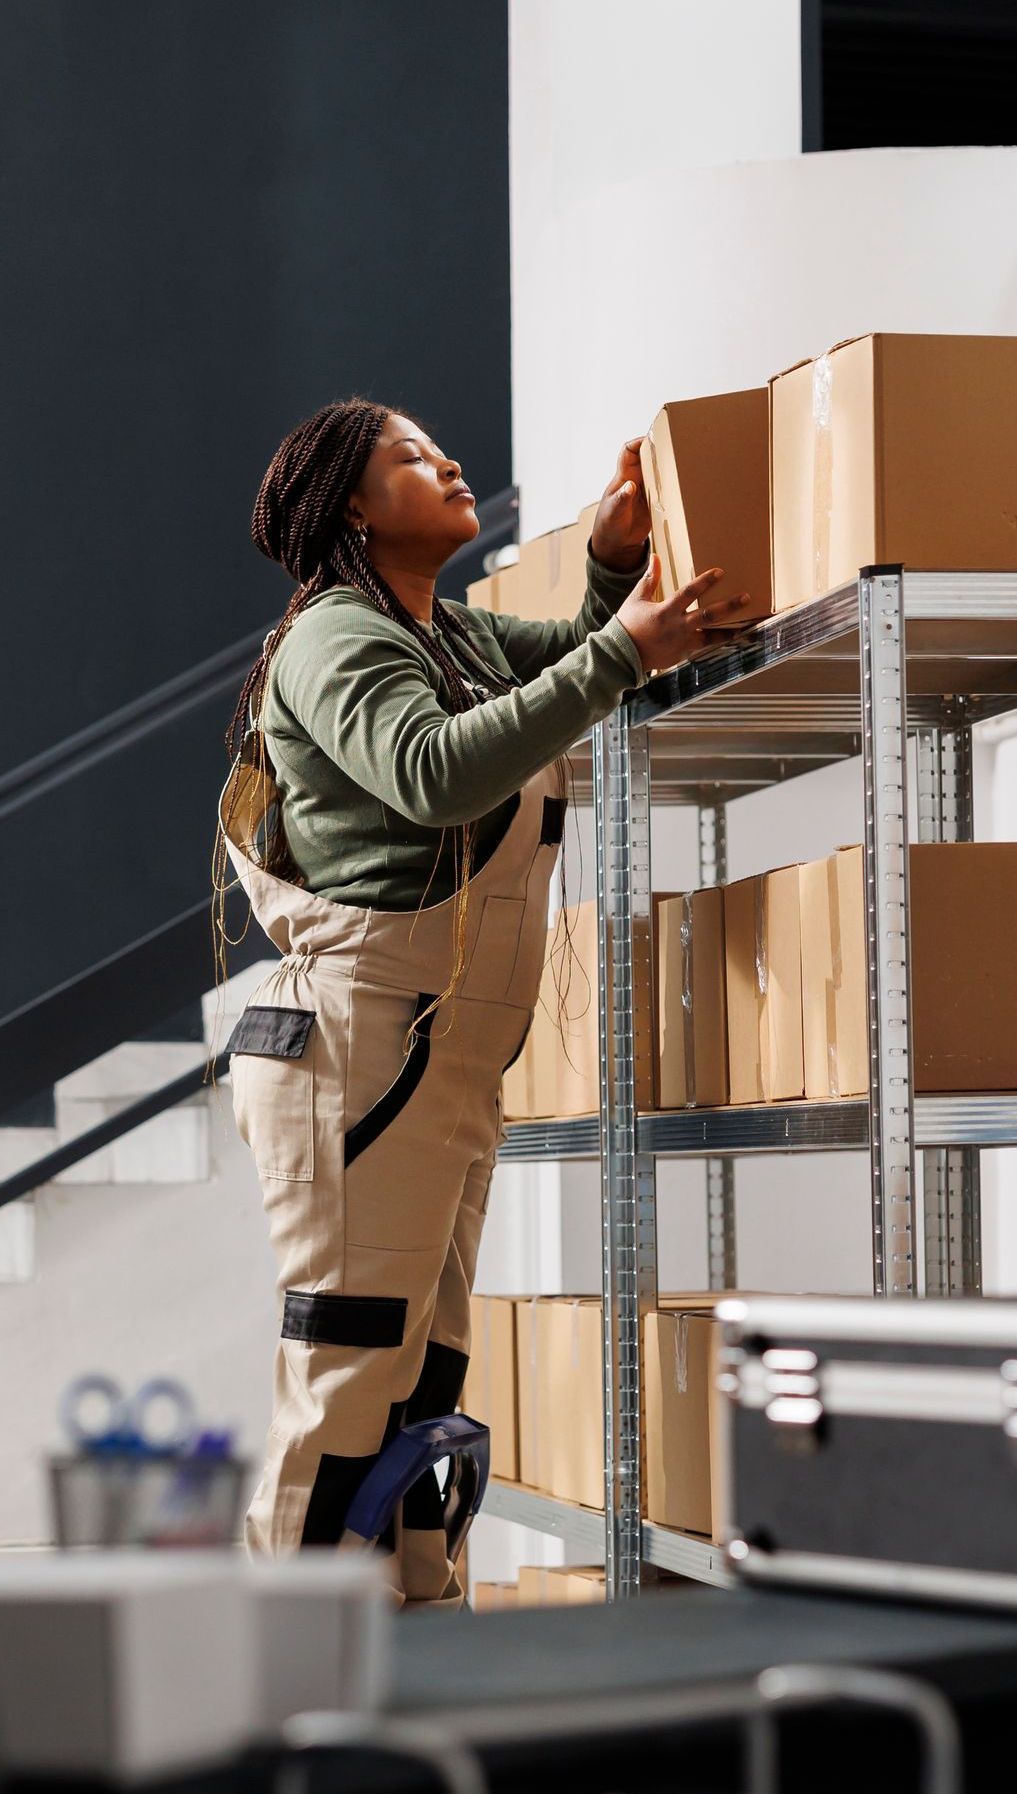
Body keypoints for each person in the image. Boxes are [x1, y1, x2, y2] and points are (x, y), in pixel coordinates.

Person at [217, 397, 745, 1605]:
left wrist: (613, 562)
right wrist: (626, 646)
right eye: (411, 455)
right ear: (352, 503)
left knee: (420, 1380)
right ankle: (292, 1672)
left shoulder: (441, 632)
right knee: (350, 1375)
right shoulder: (338, 640)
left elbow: (565, 662)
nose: (450, 461)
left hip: (437, 1053)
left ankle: (410, 1629)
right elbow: (436, 773)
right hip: (364, 1042)